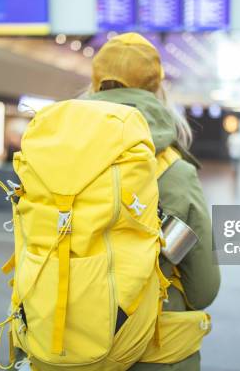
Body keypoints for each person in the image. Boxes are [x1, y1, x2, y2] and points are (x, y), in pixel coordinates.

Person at [89, 33, 221, 371]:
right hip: (148, 353)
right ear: (157, 88)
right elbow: (203, 288)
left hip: (58, 340)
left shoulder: (53, 154)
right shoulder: (171, 170)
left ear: (95, 83)